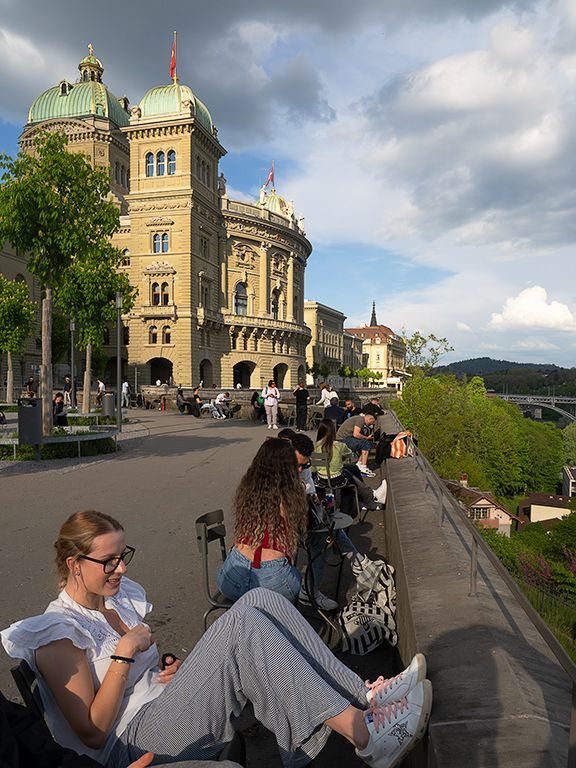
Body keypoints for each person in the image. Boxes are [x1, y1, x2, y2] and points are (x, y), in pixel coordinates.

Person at [1, 511, 432, 768]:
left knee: (260, 598)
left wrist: (166, 668)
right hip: (127, 744)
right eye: (109, 561)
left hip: (160, 710)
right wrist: (124, 655)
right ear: (75, 564)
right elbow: (92, 732)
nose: (122, 569)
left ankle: (364, 696)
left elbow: (140, 675)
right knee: (243, 628)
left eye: (123, 556)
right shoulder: (56, 632)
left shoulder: (114, 600)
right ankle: (364, 736)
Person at [217, 438, 306, 602]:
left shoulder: (248, 487)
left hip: (233, 574)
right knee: (297, 580)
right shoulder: (291, 494)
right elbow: (301, 530)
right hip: (273, 579)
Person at [314, 419, 387, 518]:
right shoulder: (338, 445)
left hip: (321, 479)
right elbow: (348, 454)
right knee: (349, 479)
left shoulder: (315, 447)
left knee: (352, 468)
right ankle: (370, 496)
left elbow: (314, 468)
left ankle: (367, 497)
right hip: (337, 479)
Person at [336, 413, 378, 477]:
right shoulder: (360, 420)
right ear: (370, 418)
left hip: (342, 439)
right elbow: (356, 434)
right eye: (372, 422)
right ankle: (363, 467)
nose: (371, 424)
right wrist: (367, 438)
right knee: (365, 443)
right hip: (342, 440)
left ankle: (359, 464)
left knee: (365, 443)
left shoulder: (358, 418)